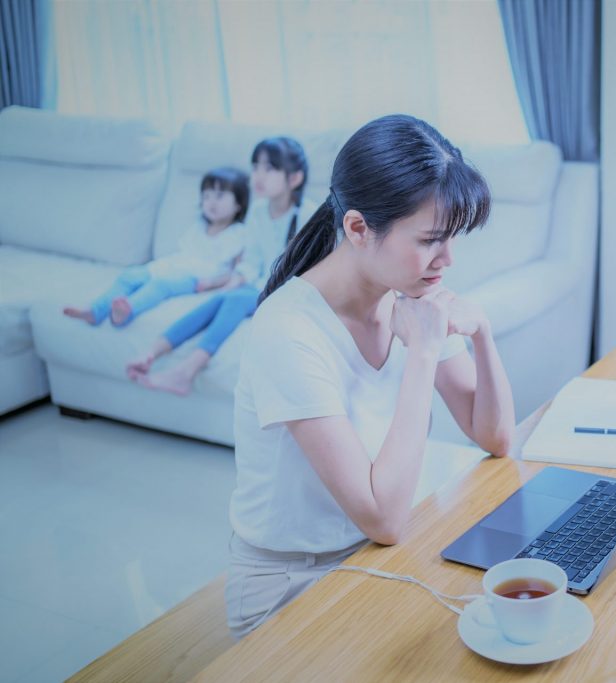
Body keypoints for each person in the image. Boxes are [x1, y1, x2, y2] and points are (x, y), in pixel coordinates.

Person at [223, 114, 515, 638]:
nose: (447, 259)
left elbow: (494, 436)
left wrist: (483, 335)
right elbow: (382, 517)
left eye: (451, 239)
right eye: (431, 240)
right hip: (292, 588)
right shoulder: (289, 330)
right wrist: (424, 355)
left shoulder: (410, 293)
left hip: (377, 562)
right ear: (358, 228)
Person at [126, 137, 315, 394]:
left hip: (288, 292)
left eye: (269, 168)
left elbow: (308, 271)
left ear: (294, 179)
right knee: (220, 299)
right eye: (255, 167)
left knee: (235, 300)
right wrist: (235, 280)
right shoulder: (259, 212)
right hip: (259, 286)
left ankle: (187, 371)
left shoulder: (308, 216)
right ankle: (151, 353)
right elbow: (252, 261)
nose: (258, 175)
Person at [64, 167, 249, 326]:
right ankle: (95, 311)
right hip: (173, 265)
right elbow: (183, 254)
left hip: (197, 278)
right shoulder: (198, 226)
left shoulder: (239, 234)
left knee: (159, 286)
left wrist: (211, 283)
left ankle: (127, 311)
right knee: (130, 275)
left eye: (219, 195)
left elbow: (238, 272)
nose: (211, 202)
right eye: (206, 196)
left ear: (239, 204)